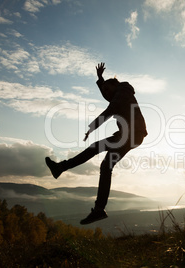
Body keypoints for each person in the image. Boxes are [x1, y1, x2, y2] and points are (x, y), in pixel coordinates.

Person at [45, 62, 147, 225]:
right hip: (130, 135)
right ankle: (99, 209)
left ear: (115, 86)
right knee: (105, 165)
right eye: (104, 90)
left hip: (131, 134)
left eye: (107, 89)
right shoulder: (118, 92)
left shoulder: (122, 92)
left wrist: (92, 127)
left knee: (96, 150)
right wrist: (100, 79)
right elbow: (108, 97)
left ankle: (61, 168)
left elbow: (110, 108)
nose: (105, 93)